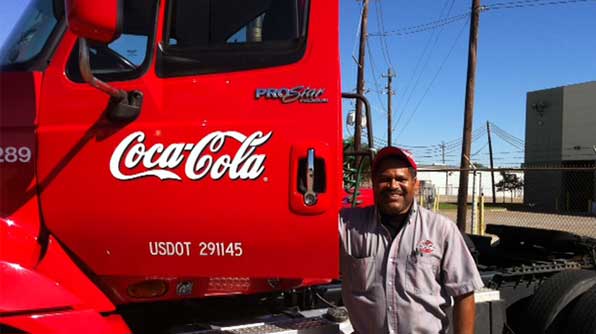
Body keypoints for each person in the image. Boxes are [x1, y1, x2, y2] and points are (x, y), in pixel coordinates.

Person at [340, 146, 484, 334]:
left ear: (415, 184)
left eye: (401, 179)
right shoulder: (348, 225)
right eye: (385, 179)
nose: (393, 185)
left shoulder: (441, 230)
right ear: (373, 183)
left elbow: (464, 293)